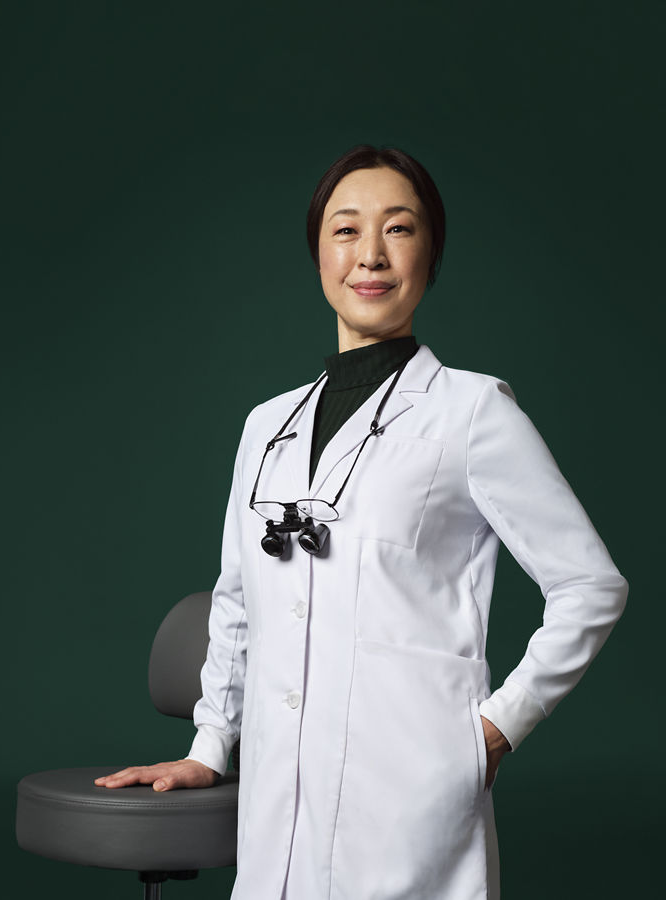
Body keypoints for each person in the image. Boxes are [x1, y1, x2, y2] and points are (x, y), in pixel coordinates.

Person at [94, 145, 628, 899]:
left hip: (411, 791)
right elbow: (238, 600)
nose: (370, 254)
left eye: (399, 229)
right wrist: (210, 747)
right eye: (346, 230)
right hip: (278, 793)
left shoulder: (471, 413)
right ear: (317, 252)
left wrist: (497, 728)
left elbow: (590, 585)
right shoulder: (267, 426)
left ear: (430, 253)